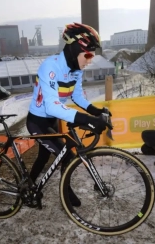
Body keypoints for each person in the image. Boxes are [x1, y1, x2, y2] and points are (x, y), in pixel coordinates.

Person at [26, 23, 112, 207]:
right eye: (88, 55)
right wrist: (86, 119)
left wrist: (95, 111)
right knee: (67, 157)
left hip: (53, 120)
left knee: (44, 156)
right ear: (75, 48)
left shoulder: (76, 70)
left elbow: (77, 96)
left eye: (92, 55)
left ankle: (28, 184)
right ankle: (66, 193)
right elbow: (51, 106)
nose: (90, 60)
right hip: (37, 121)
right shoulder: (50, 67)